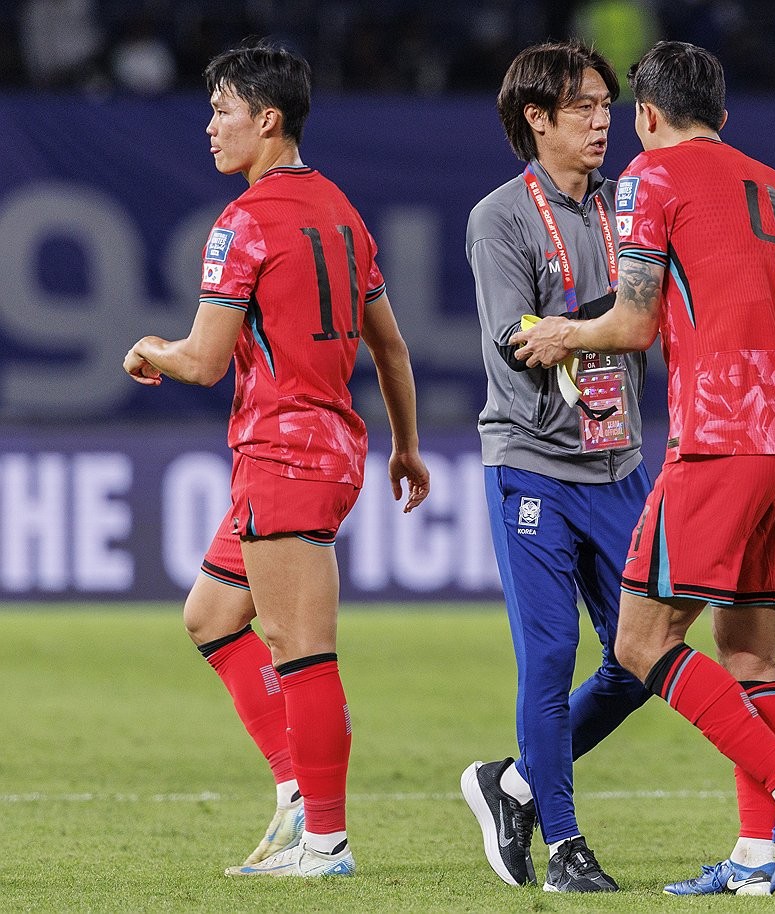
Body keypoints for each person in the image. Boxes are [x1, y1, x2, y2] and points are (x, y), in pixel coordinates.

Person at [513, 40, 775, 898]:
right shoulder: (774, 184)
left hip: (720, 440)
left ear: (646, 116)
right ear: (724, 117)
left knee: (641, 640)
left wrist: (562, 334)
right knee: (751, 654)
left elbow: (631, 322)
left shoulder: (650, 181)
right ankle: (754, 855)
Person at [123, 42, 429, 877]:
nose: (210, 126)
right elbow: (393, 350)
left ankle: (324, 841)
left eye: (223, 110)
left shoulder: (244, 222)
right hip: (325, 449)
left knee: (302, 649)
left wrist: (152, 348)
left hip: (285, 452)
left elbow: (207, 360)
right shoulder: (341, 210)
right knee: (212, 617)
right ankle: (300, 794)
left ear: (268, 118)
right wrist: (404, 445)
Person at [460, 39, 652, 893]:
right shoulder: (499, 217)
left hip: (620, 464)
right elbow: (516, 338)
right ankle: (566, 846)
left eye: (607, 106)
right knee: (549, 653)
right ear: (536, 120)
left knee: (642, 658)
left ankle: (515, 783)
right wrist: (599, 323)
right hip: (532, 460)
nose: (602, 121)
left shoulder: (634, 206)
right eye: (583, 107)